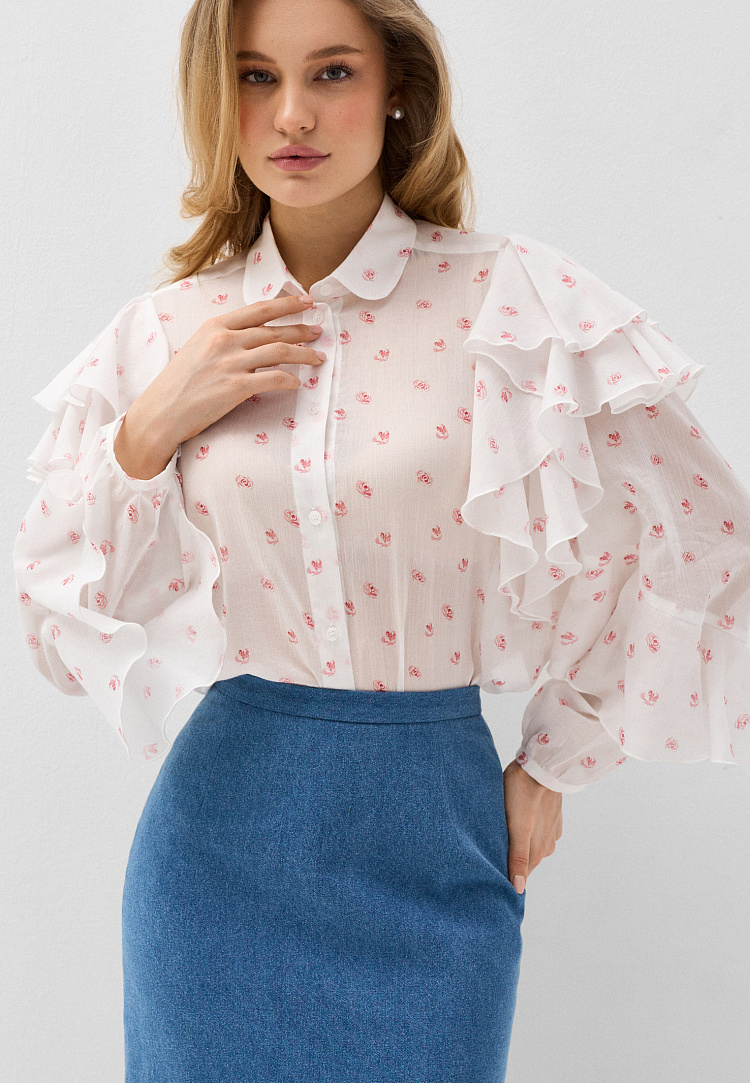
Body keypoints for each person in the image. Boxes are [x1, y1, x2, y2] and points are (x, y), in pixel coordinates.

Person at [11, 0, 750, 1079]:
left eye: (332, 73)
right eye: (256, 77)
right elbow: (53, 625)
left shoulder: (510, 298)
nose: (292, 115)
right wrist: (148, 430)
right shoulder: (164, 334)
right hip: (217, 857)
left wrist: (558, 758)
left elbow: (708, 537)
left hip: (436, 829)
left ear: (398, 88)